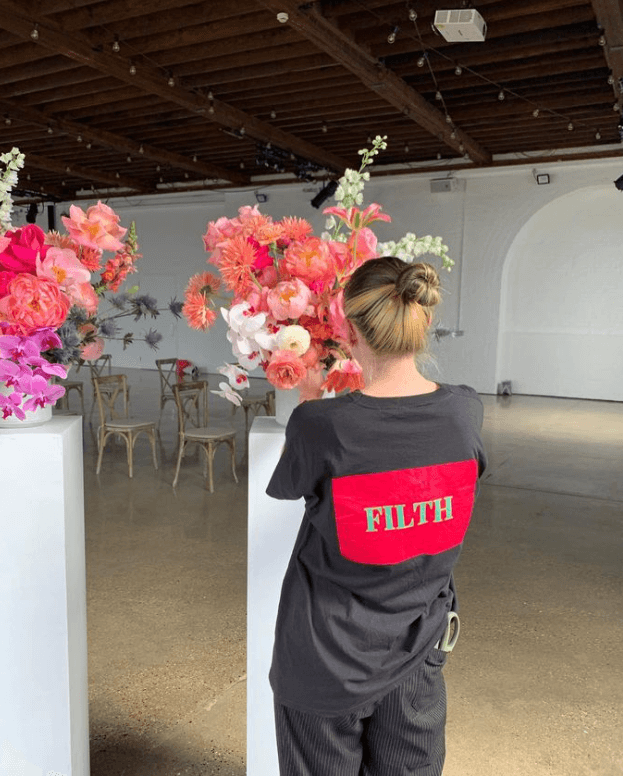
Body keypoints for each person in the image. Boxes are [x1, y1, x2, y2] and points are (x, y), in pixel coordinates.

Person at [266, 256, 487, 776]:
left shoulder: (319, 425)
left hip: (326, 660)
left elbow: (290, 486)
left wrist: (311, 402)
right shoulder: (465, 412)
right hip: (418, 654)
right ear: (423, 321)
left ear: (348, 331)